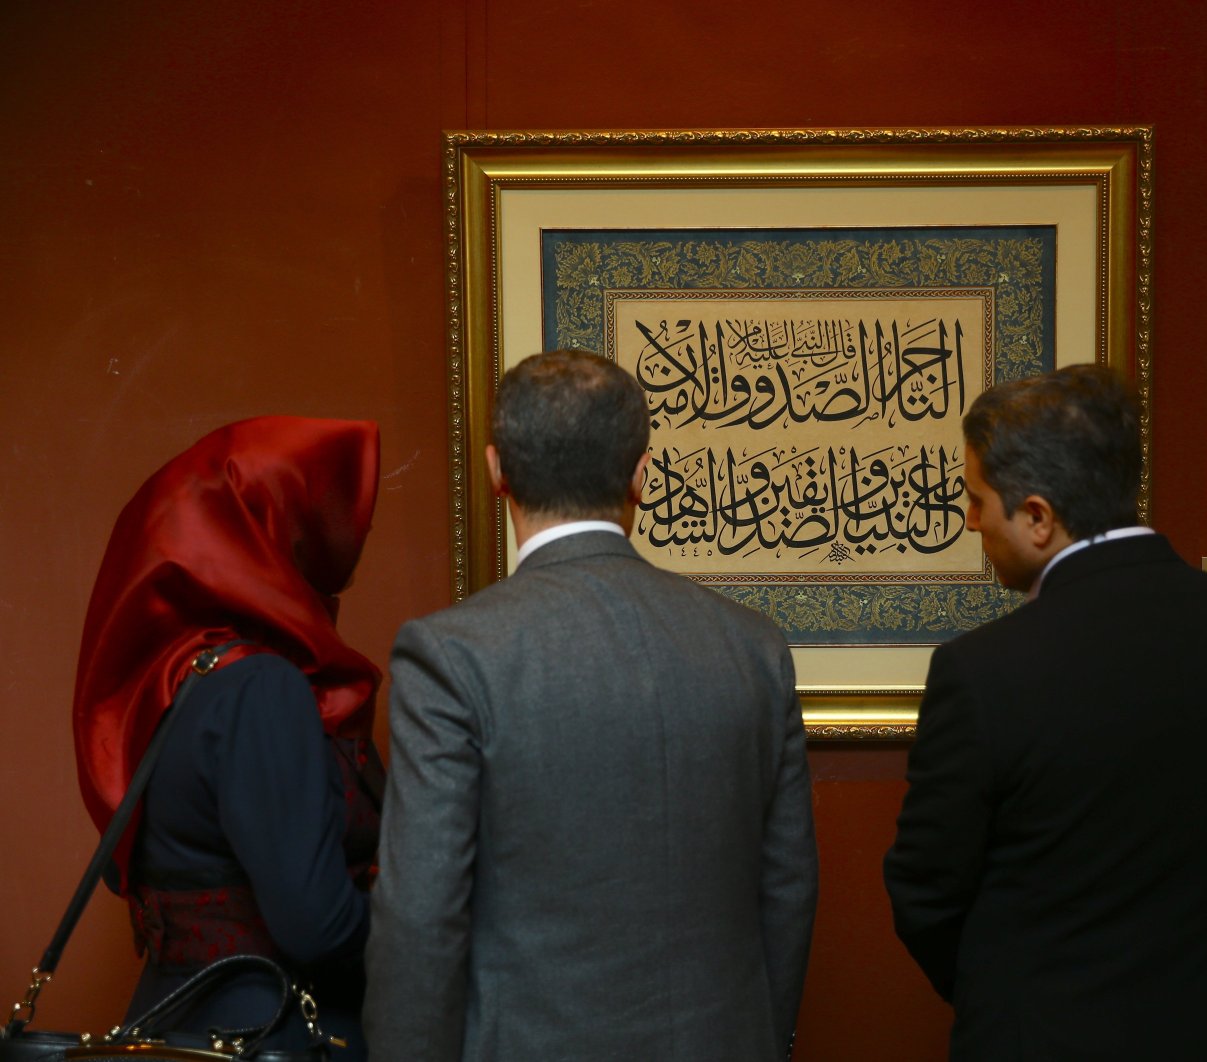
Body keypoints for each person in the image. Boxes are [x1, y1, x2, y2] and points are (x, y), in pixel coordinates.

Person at [365, 349, 818, 1061]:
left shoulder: (453, 655)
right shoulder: (754, 646)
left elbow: (421, 917)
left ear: (495, 473)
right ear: (642, 475)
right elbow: (788, 889)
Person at [883, 366, 1207, 1060]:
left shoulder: (984, 670)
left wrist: (1013, 990)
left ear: (1036, 517)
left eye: (975, 500)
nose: (969, 521)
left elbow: (925, 891)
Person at [72, 416, 385, 1058]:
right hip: (273, 1033)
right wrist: (450, 940)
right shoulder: (260, 689)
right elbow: (316, 926)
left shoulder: (169, 686)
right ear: (269, 543)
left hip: (176, 1022)